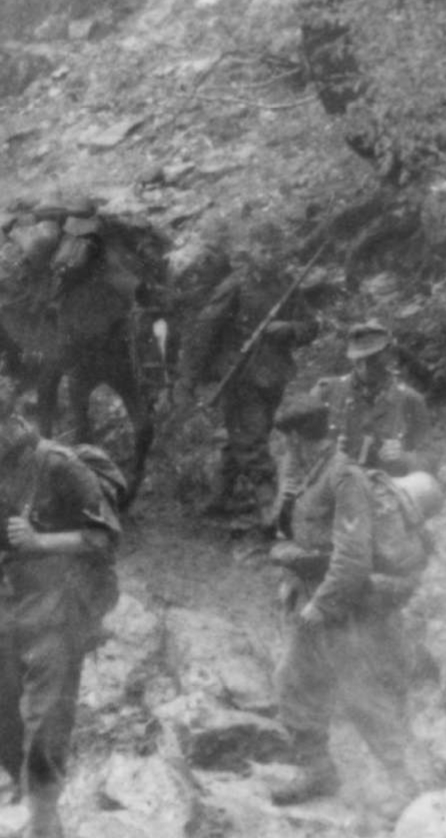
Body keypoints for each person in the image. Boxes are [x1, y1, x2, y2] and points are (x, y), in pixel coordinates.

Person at [0, 381, 120, 838]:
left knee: (45, 721)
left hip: (56, 607)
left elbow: (105, 537)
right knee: (0, 718)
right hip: (0, 606)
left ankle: (43, 832)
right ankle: (34, 802)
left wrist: (42, 540)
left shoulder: (60, 465)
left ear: (11, 420)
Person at [263, 397, 418, 809]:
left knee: (359, 692)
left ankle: (404, 782)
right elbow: (288, 528)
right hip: (309, 597)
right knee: (293, 682)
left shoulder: (345, 478)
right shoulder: (300, 472)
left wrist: (324, 606)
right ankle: (318, 772)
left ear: (297, 438)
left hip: (347, 606)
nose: (283, 448)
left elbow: (353, 557)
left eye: (286, 440)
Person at [181, 253, 314, 528]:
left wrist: (289, 329)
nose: (270, 259)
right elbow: (206, 328)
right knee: (252, 440)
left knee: (248, 434)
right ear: (254, 255)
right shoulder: (236, 285)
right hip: (239, 375)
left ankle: (218, 499)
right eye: (264, 252)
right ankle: (269, 508)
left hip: (274, 375)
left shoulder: (288, 284)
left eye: (274, 252)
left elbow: (311, 325)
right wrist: (192, 377)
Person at [310, 320, 432, 476]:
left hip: (387, 488)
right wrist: (329, 450)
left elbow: (430, 459)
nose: (366, 367)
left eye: (374, 358)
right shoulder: (326, 392)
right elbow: (297, 450)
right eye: (359, 360)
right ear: (352, 358)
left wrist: (405, 458)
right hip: (333, 489)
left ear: (389, 355)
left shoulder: (410, 400)